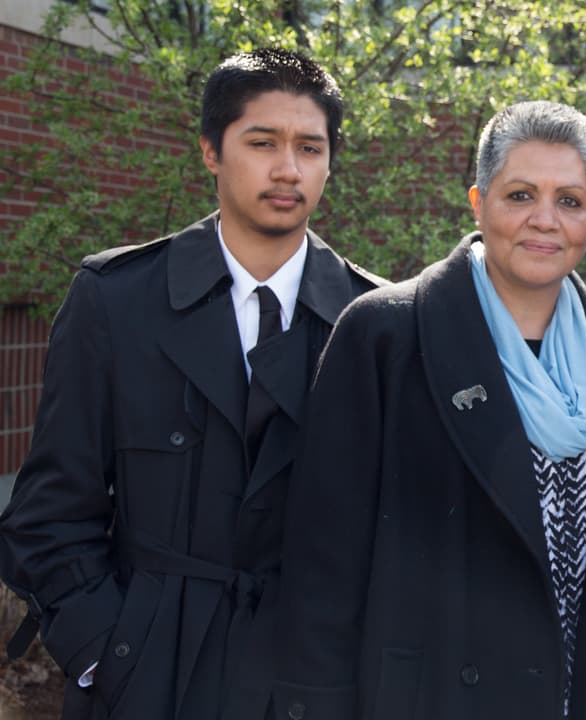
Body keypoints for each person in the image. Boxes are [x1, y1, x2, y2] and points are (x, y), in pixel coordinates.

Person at [0, 48, 384, 719]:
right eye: (262, 142)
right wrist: (106, 651)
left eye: (310, 147)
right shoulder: (115, 301)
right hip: (148, 678)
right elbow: (49, 514)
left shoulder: (374, 320)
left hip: (312, 684)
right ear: (211, 150)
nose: (288, 168)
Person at [272, 101, 586, 720]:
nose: (544, 220)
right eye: (520, 195)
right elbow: (321, 567)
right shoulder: (386, 334)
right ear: (478, 201)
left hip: (566, 693)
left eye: (569, 201)